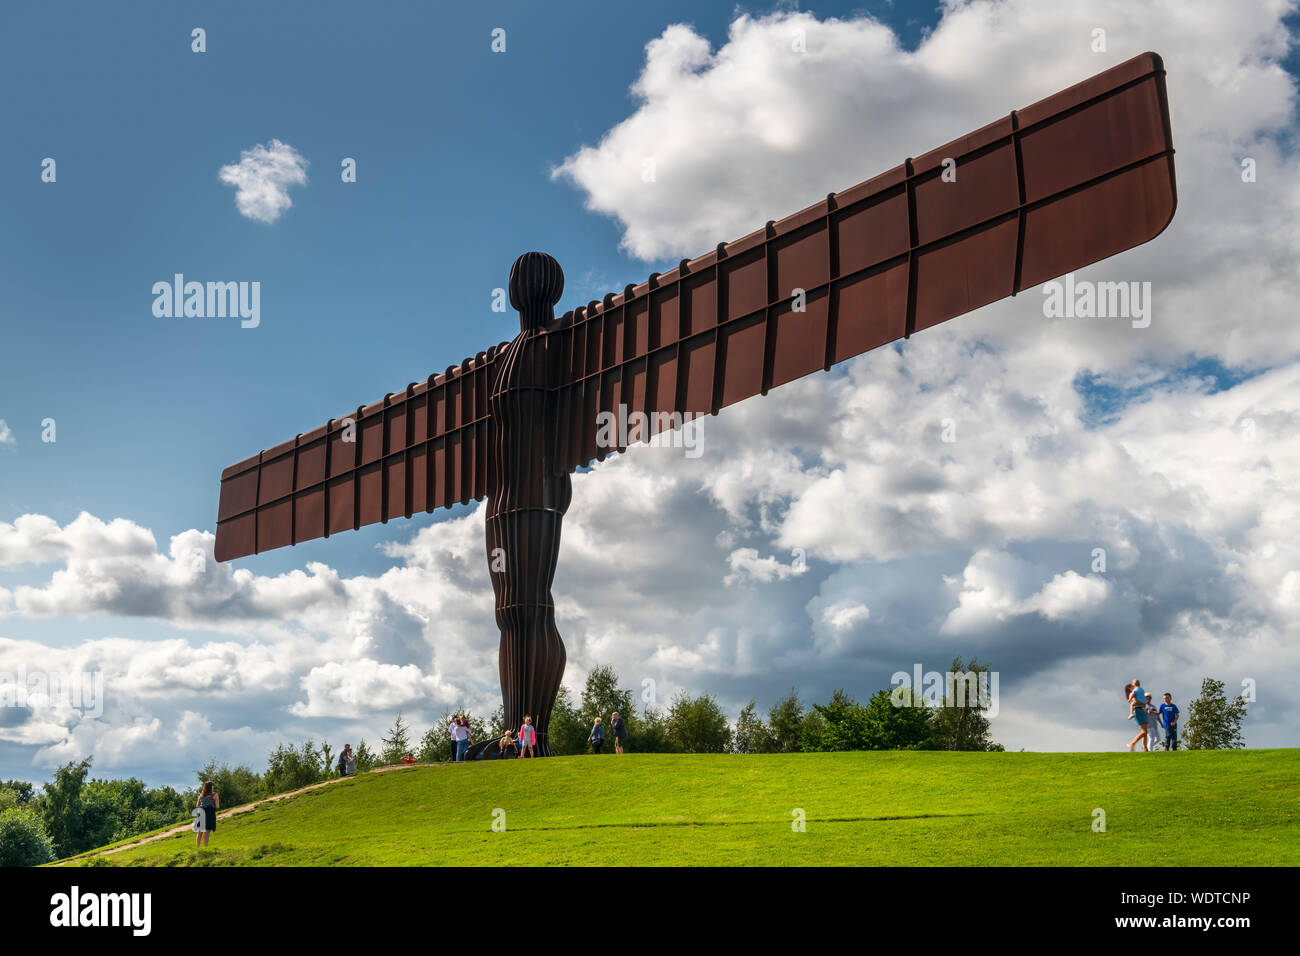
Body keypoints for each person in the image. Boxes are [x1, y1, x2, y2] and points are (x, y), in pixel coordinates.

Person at [195, 781, 219, 849]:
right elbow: (217, 806)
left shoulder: (201, 795)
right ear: (211, 787)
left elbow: (197, 806)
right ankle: (205, 847)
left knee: (200, 832)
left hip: (201, 812)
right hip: (209, 813)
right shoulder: (215, 795)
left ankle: (197, 847)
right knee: (207, 831)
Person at [1125, 684, 1149, 752]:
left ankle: (1145, 748)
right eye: (1132, 687)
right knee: (1144, 731)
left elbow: (1144, 704)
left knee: (1145, 731)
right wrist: (1142, 703)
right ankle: (1132, 743)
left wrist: (1142, 703)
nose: (1134, 687)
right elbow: (1135, 703)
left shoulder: (1138, 694)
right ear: (1130, 689)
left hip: (1142, 711)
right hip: (1138, 711)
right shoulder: (1133, 694)